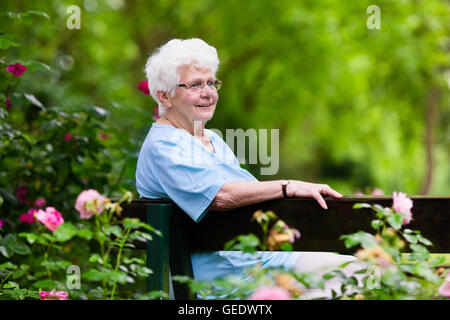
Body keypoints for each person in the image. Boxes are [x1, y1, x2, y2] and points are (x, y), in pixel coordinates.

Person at [136, 38, 363, 298]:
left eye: (211, 83)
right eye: (195, 85)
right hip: (222, 282)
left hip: (258, 262)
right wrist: (289, 186)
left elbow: (247, 194)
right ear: (164, 95)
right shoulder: (164, 145)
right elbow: (220, 196)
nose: (208, 92)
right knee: (348, 283)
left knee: (362, 273)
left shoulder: (213, 140)